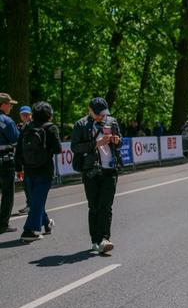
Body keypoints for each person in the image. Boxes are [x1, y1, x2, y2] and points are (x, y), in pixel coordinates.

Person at [70, 97, 123, 254]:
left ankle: (105, 239)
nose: (102, 117)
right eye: (98, 114)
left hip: (109, 169)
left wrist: (116, 140)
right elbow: (75, 147)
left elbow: (120, 143)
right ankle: (95, 239)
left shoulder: (112, 122)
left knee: (106, 206)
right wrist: (95, 144)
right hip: (90, 170)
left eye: (104, 113)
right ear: (90, 110)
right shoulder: (80, 125)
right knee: (94, 206)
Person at [14, 102, 62, 242]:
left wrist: (18, 168)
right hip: (44, 169)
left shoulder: (27, 127)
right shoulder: (50, 128)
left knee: (36, 200)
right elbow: (58, 149)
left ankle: (46, 224)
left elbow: (19, 150)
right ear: (49, 114)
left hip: (28, 169)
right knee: (38, 200)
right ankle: (29, 230)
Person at [0, 92, 20, 234]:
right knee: (7, 194)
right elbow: (16, 140)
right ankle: (3, 224)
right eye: (9, 104)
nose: (11, 107)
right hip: (5, 162)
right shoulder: (7, 121)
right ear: (3, 105)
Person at [15, 105, 33, 215]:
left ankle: (32, 205)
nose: (25, 116)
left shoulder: (34, 126)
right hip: (25, 161)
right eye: (23, 114)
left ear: (31, 115)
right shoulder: (21, 127)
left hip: (32, 161)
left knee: (30, 184)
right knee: (27, 185)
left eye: (27, 114)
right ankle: (30, 204)